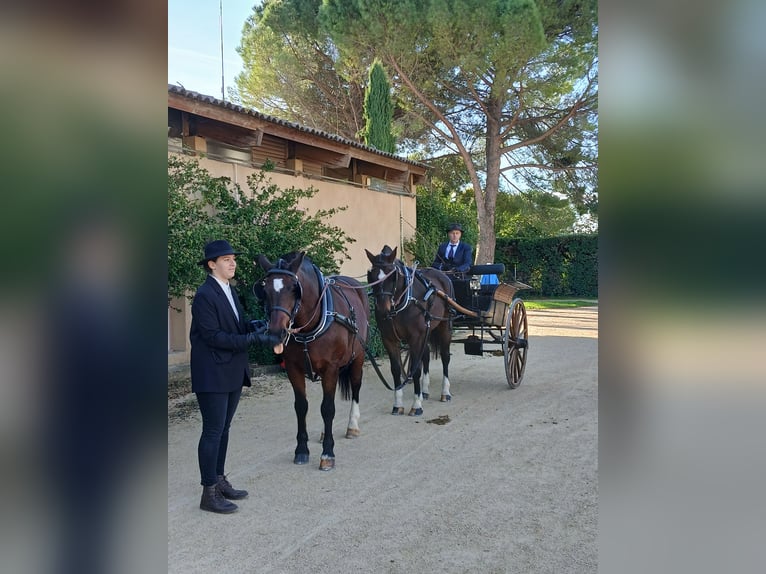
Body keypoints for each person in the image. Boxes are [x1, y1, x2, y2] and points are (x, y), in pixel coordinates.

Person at [190, 239, 278, 514]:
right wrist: (253, 338)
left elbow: (234, 326)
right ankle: (209, 493)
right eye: (226, 259)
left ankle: (219, 480)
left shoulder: (229, 289)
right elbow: (213, 337)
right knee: (213, 431)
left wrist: (255, 325)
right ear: (211, 264)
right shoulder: (205, 295)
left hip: (231, 369)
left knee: (224, 430)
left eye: (233, 258)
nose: (232, 262)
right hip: (212, 372)